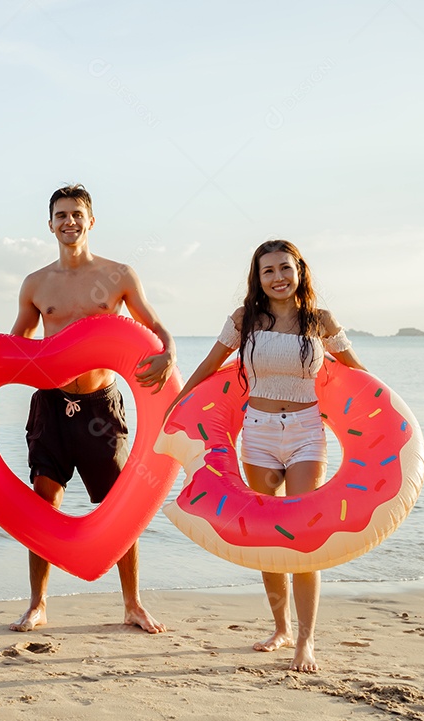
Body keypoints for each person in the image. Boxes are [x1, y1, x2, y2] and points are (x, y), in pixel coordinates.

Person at [169, 239, 366, 672]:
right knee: (268, 535)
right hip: (257, 433)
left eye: (285, 268)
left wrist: (392, 422)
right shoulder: (245, 320)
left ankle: (306, 641)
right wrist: (176, 404)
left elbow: (359, 374)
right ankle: (281, 628)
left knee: (303, 536)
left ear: (300, 271)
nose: (278, 277)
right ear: (257, 278)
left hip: (306, 433)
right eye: (268, 271)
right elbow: (209, 365)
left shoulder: (320, 321)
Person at [8, 184, 176, 634]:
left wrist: (170, 350)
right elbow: (17, 343)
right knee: (45, 502)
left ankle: (132, 604)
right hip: (51, 403)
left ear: (91, 221)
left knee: (120, 505)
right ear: (50, 224)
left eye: (77, 214)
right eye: (60, 215)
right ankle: (38, 603)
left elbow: (153, 325)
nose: (69, 222)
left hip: (102, 405)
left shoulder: (119, 274)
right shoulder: (37, 284)